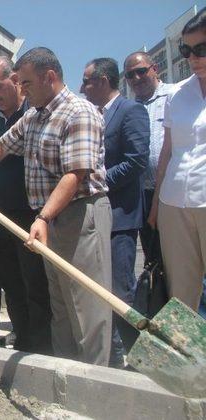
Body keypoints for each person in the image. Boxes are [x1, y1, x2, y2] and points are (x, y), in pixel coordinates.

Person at [0, 47, 112, 366]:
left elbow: (75, 174)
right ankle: (64, 374)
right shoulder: (36, 116)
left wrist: (44, 217)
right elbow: (1, 147)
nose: (22, 90)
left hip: (79, 214)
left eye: (27, 83)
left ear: (49, 77)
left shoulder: (80, 112)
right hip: (49, 217)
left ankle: (95, 382)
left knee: (86, 305)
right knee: (60, 304)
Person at [81, 57, 150, 366]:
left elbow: (137, 160)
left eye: (87, 82)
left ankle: (141, 363)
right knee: (98, 294)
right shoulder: (91, 115)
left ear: (105, 81)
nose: (82, 88)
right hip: (94, 217)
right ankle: (111, 359)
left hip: (120, 217)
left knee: (121, 294)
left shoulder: (130, 111)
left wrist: (97, 179)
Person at [0, 56, 52, 354]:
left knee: (34, 283)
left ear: (15, 80)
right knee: (10, 283)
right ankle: (22, 339)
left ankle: (42, 346)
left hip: (30, 213)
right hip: (1, 212)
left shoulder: (34, 112)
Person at [149, 9, 206, 310]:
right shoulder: (177, 94)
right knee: (182, 296)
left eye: (201, 49)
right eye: (186, 50)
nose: (193, 58)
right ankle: (190, 358)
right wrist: (157, 201)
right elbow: (167, 151)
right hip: (175, 201)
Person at [123, 52, 177, 264]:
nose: (136, 78)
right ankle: (165, 297)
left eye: (141, 71)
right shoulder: (128, 108)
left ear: (155, 69)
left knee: (186, 256)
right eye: (130, 75)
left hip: (175, 190)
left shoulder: (175, 95)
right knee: (156, 259)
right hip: (143, 195)